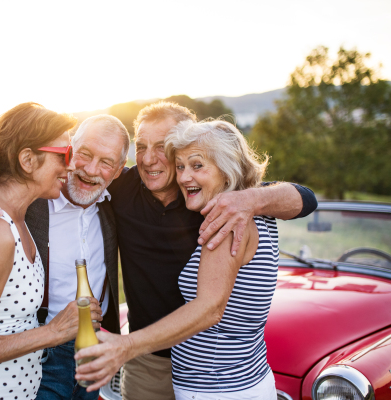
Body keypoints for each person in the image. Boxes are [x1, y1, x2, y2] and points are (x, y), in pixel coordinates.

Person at [86, 102, 317, 400]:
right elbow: (77, 180)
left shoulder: (227, 207)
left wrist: (252, 200)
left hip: (213, 378)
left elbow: (306, 199)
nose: (149, 158)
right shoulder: (124, 187)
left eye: (163, 147)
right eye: (141, 146)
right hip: (149, 365)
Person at [0, 114, 131, 400]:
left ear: (119, 170)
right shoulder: (21, 205)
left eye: (106, 162)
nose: (86, 169)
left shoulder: (115, 202)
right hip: (37, 357)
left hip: (92, 351)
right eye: (80, 154)